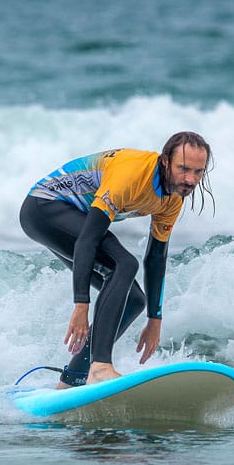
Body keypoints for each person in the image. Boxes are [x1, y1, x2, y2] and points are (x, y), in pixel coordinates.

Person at [19, 132, 214, 388]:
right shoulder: (131, 175)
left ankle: (73, 379)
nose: (190, 180)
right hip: (44, 208)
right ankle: (100, 366)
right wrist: (81, 304)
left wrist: (155, 320)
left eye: (198, 172)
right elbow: (87, 240)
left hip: (73, 219)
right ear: (166, 161)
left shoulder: (173, 197)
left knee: (134, 300)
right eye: (184, 169)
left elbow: (156, 257)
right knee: (124, 263)